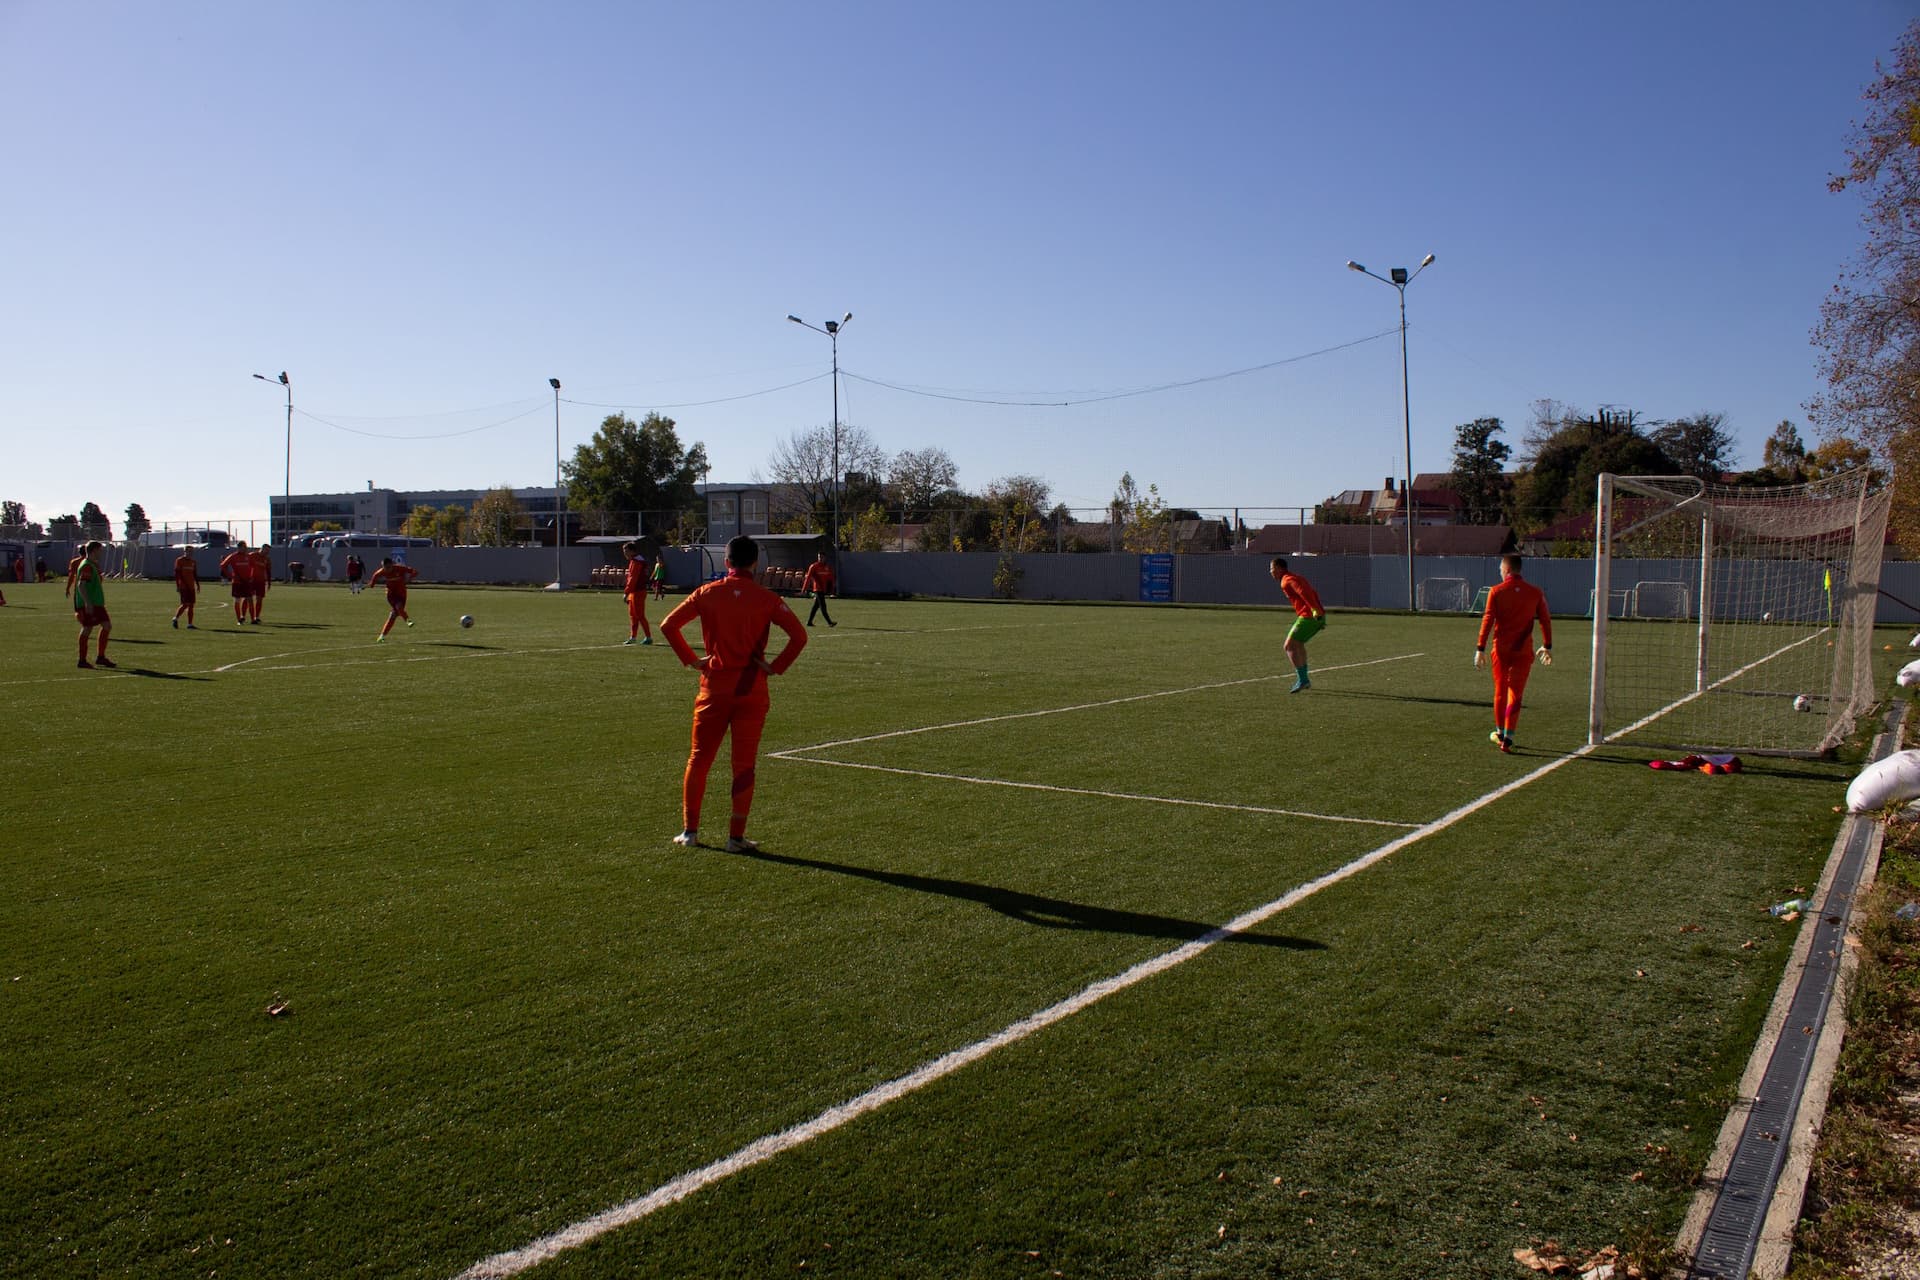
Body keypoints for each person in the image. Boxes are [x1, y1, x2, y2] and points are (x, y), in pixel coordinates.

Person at [661, 534, 808, 852]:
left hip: (713, 688)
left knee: (699, 759)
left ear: (726, 562)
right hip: (751, 689)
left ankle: (690, 831)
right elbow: (799, 636)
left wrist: (693, 660)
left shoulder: (706, 593)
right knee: (743, 765)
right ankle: (735, 837)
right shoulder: (766, 598)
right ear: (755, 563)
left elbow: (668, 625)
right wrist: (775, 666)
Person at [1475, 554, 1554, 753]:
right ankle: (1508, 738)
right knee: (1515, 694)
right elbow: (1545, 619)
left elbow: (1488, 620)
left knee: (1500, 691)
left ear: (1507, 570)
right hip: (1523, 650)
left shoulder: (1496, 591)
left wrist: (1480, 648)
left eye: (1501, 570)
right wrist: (1547, 645)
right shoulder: (1535, 592)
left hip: (1501, 650)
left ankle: (1500, 732)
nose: (1500, 573)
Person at [1269, 557, 1326, 693]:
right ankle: (1304, 680)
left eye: (1272, 568)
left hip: (1308, 616)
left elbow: (1303, 592)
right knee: (1298, 644)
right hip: (1314, 615)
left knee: (1289, 646)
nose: (1270, 572)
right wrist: (1319, 612)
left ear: (1279, 568)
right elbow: (1312, 592)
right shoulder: (1295, 577)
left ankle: (1303, 680)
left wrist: (1314, 610)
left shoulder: (1287, 580)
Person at [71, 541, 114, 669]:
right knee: (87, 628)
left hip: (97, 603)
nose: (101, 552)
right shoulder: (87, 566)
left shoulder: (92, 564)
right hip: (90, 603)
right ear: (94, 550)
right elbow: (81, 585)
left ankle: (100, 657)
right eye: (100, 550)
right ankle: (82, 660)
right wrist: (88, 603)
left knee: (107, 626)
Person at [369, 556, 419, 641]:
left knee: (393, 616)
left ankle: (382, 636)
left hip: (402, 593)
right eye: (385, 568)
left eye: (389, 567)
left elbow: (415, 572)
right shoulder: (382, 571)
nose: (387, 570)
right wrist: (372, 584)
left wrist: (409, 577)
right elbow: (375, 576)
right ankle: (407, 620)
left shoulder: (400, 568)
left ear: (392, 565)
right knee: (398, 607)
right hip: (391, 594)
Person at [621, 541, 654, 646]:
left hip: (638, 591)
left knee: (639, 615)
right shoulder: (636, 561)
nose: (624, 554)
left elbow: (633, 579)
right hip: (635, 591)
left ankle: (648, 637)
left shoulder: (636, 562)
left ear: (632, 551)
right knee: (633, 616)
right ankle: (633, 637)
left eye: (626, 551)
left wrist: (626, 592)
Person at [219, 542, 252, 624]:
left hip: (247, 581)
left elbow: (252, 567)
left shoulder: (248, 556)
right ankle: (239, 619)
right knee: (237, 600)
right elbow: (223, 565)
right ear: (239, 548)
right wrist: (230, 576)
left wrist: (251, 576)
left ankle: (244, 616)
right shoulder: (233, 556)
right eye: (244, 547)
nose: (245, 548)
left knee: (249, 599)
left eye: (246, 547)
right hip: (237, 582)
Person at [801, 551, 837, 627]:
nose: (820, 559)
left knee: (816, 606)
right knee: (823, 606)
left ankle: (809, 622)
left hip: (823, 589)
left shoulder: (827, 567)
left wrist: (832, 589)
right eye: (819, 557)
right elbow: (807, 578)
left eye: (821, 557)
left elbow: (831, 578)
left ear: (825, 558)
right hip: (817, 589)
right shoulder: (814, 566)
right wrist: (803, 589)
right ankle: (829, 622)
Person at [171, 549, 200, 628]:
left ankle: (190, 624)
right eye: (188, 552)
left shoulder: (193, 562)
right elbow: (177, 574)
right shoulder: (180, 560)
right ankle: (175, 618)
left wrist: (197, 585)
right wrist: (178, 586)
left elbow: (194, 574)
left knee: (191, 605)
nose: (190, 553)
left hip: (191, 586)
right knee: (185, 604)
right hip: (183, 587)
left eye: (191, 552)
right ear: (185, 552)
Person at [246, 543, 272, 623]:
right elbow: (245, 566)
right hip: (251, 581)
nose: (267, 552)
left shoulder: (267, 559)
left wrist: (269, 582)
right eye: (266, 550)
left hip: (261, 581)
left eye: (268, 551)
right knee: (247, 598)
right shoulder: (252, 555)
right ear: (262, 549)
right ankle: (243, 616)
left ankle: (256, 616)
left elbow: (268, 571)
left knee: (259, 599)